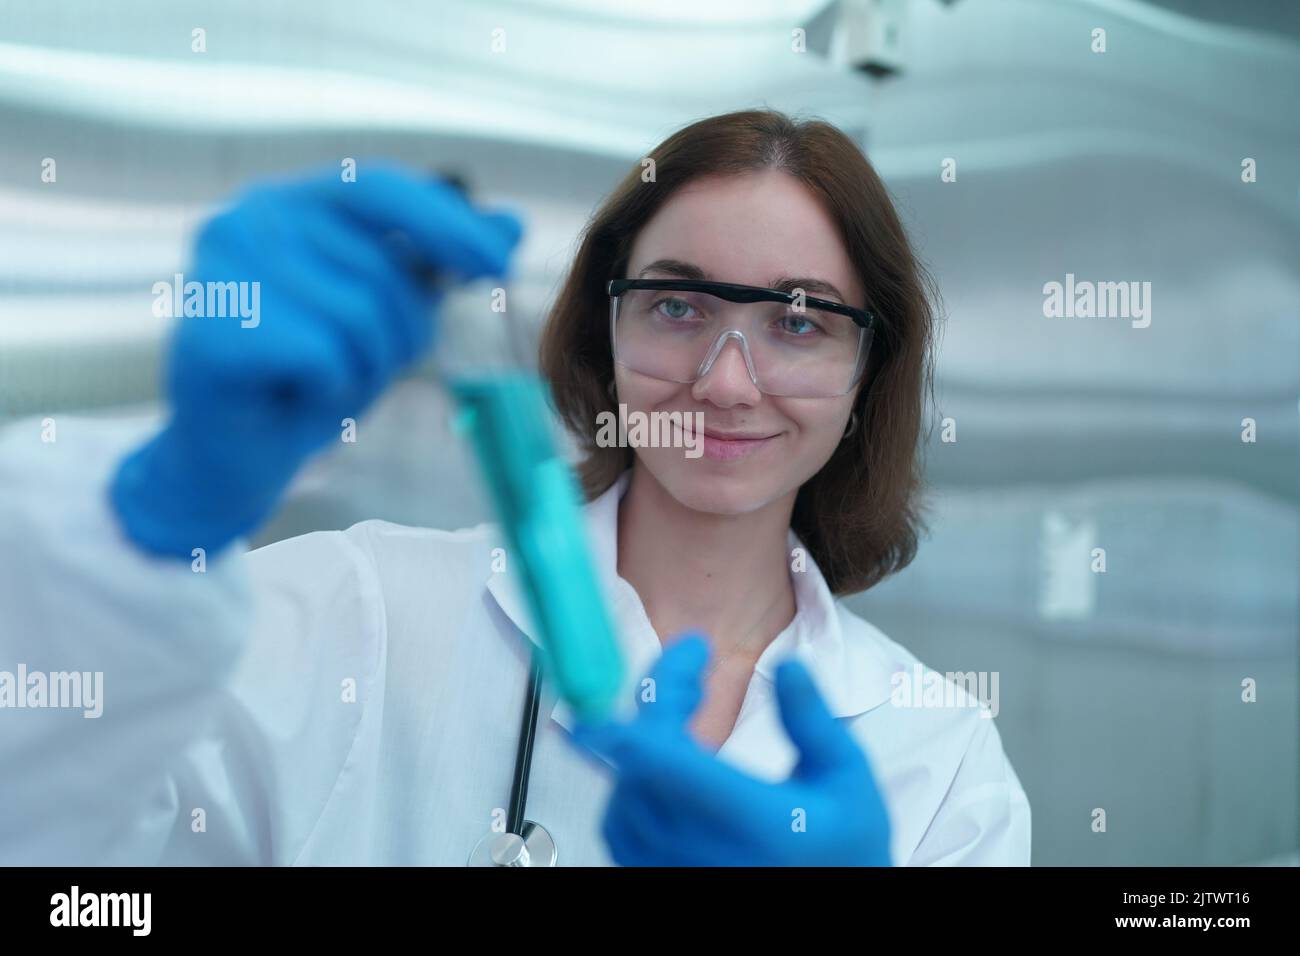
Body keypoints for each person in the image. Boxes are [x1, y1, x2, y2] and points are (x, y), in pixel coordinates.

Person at [0, 109, 1030, 866]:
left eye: (798, 319)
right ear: (604, 330)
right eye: (676, 304)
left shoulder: (937, 760)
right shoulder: (354, 613)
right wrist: (152, 518)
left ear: (867, 374)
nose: (724, 379)